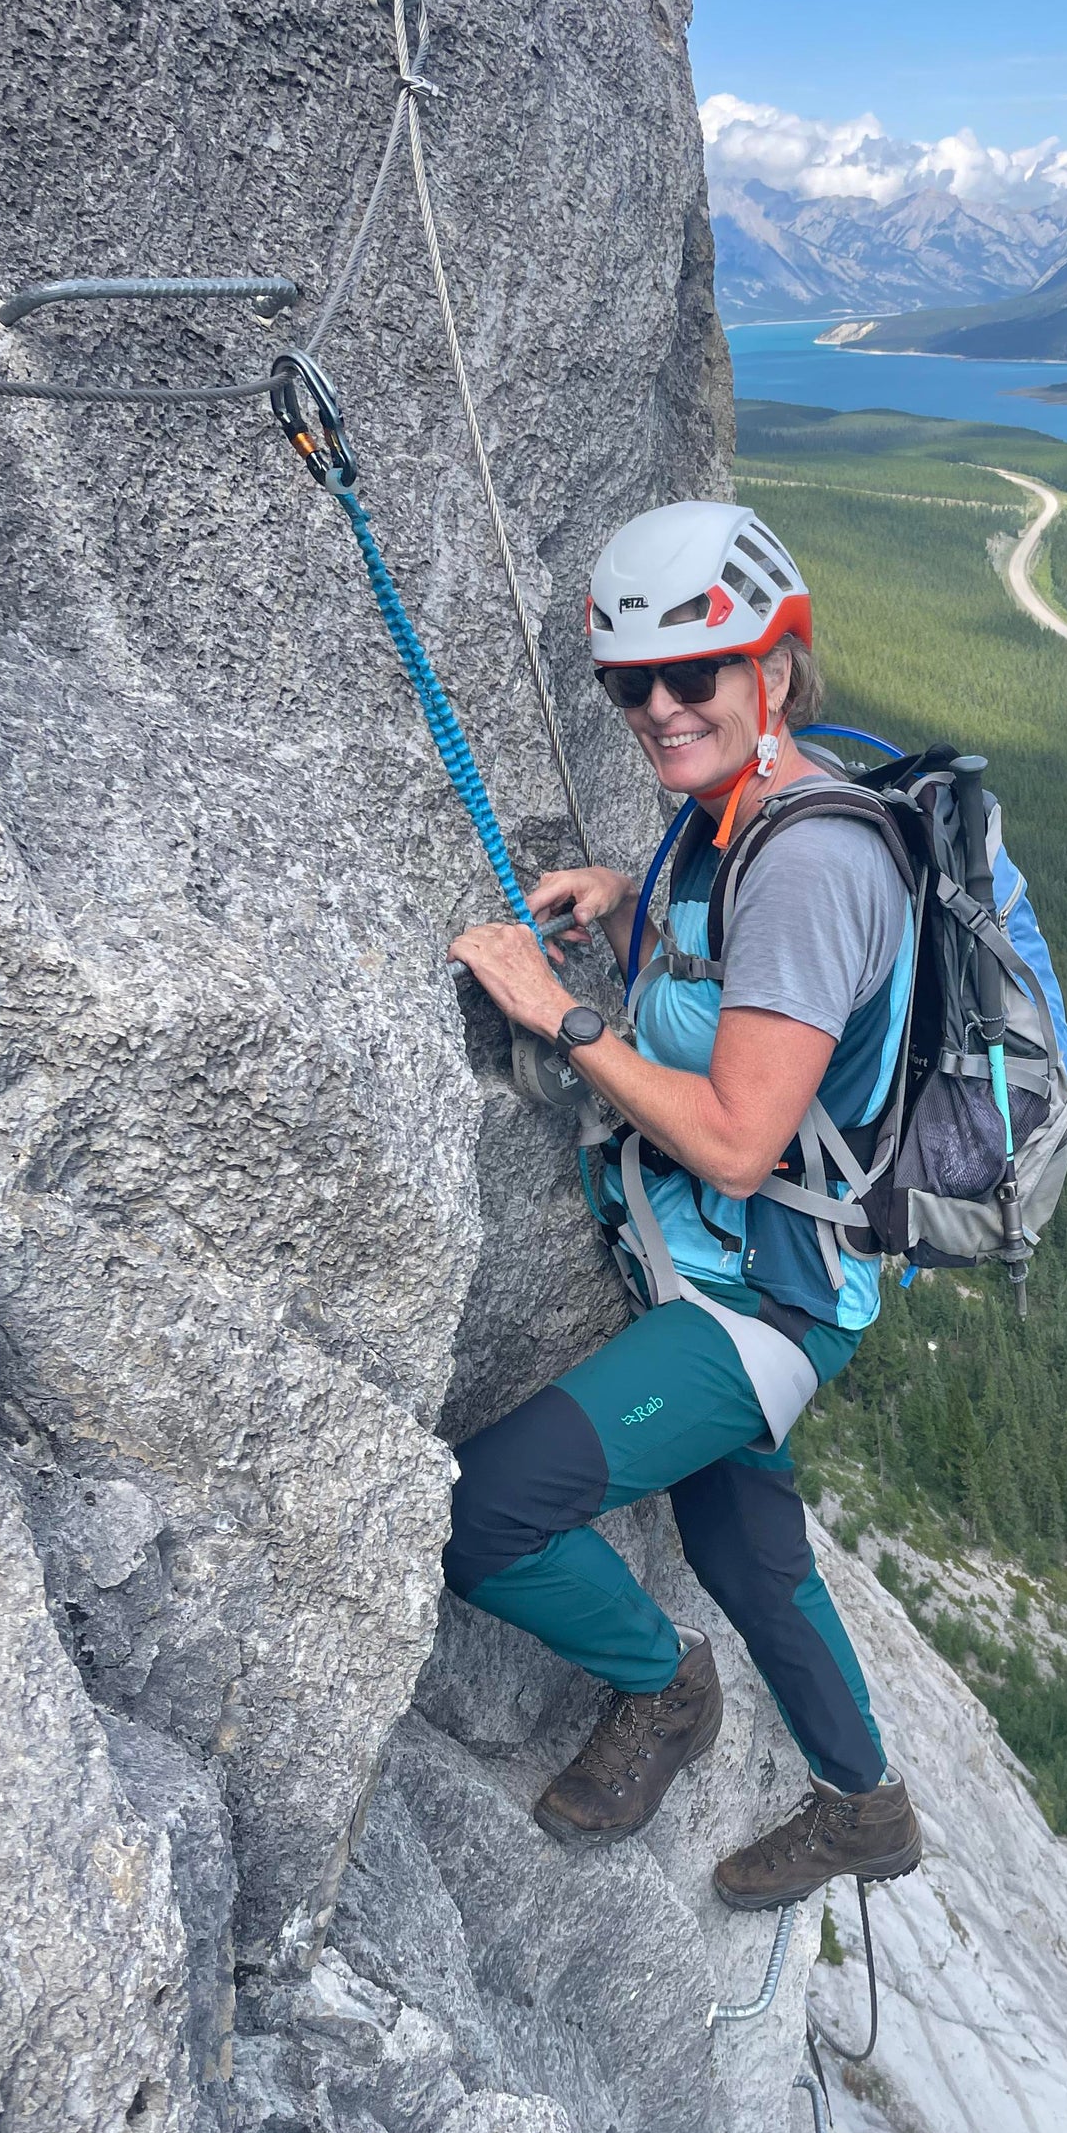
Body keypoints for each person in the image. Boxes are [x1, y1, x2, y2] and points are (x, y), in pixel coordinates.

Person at [442, 500, 922, 1910]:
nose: (657, 706)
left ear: (773, 665)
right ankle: (865, 1807)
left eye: (691, 673)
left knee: (487, 1519)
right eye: (627, 682)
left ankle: (664, 1691)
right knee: (743, 1550)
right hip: (734, 1266)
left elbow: (733, 1137)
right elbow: (748, 986)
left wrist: (559, 1011)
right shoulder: (736, 820)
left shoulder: (813, 859)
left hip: (760, 1292)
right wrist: (629, 907)